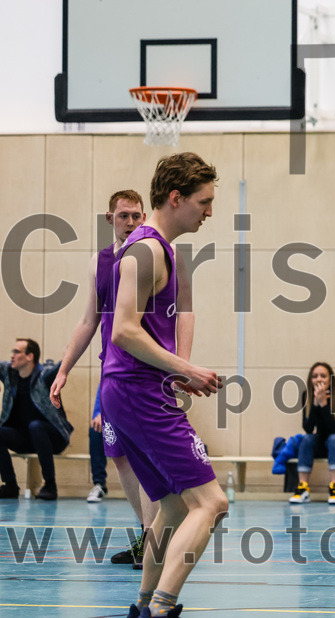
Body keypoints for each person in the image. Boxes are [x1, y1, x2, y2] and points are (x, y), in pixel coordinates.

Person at [103, 152, 226, 618]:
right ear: (176, 197)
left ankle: (142, 605)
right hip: (137, 391)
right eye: (204, 201)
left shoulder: (161, 250)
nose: (209, 211)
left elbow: (164, 321)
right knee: (212, 503)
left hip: (135, 391)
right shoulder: (147, 251)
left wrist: (176, 369)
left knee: (173, 507)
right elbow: (123, 331)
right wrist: (186, 369)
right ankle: (162, 607)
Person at [49, 190, 158, 568]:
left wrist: (178, 367)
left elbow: (176, 315)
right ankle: (147, 536)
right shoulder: (101, 261)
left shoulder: (151, 255)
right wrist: (64, 368)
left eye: (137, 216)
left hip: (144, 373)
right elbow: (88, 320)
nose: (131, 222)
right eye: (124, 215)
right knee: (121, 457)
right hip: (111, 373)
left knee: (146, 459)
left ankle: (155, 544)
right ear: (110, 218)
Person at [0, 339, 69, 500]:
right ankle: (10, 486)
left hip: (53, 438)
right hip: (25, 439)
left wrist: (69, 352)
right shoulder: (9, 372)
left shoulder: (46, 375)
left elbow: (62, 366)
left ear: (30, 356)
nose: (12, 355)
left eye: (17, 352)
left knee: (36, 426)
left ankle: (50, 486)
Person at [289, 361, 335, 504]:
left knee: (334, 439)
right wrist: (315, 405)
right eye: (315, 376)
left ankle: (334, 487)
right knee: (306, 438)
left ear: (330, 379)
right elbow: (308, 428)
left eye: (323, 376)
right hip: (320, 442)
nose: (318, 379)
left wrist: (324, 404)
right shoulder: (307, 395)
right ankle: (303, 487)